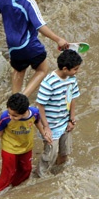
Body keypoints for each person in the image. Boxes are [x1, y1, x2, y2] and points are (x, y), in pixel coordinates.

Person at [0, 93, 52, 193]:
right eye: (9, 113)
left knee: (26, 169)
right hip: (9, 148)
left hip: (26, 147)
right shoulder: (5, 117)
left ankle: (14, 190)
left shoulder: (35, 113)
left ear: (24, 112)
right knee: (8, 172)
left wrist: (44, 134)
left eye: (14, 116)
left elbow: (37, 122)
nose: (10, 116)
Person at [35, 49, 82, 177]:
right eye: (75, 69)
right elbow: (40, 106)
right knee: (49, 155)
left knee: (64, 153)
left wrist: (71, 119)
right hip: (51, 125)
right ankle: (39, 177)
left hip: (65, 122)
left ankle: (57, 175)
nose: (77, 71)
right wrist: (46, 128)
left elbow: (72, 98)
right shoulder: (49, 83)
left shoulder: (72, 79)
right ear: (65, 68)